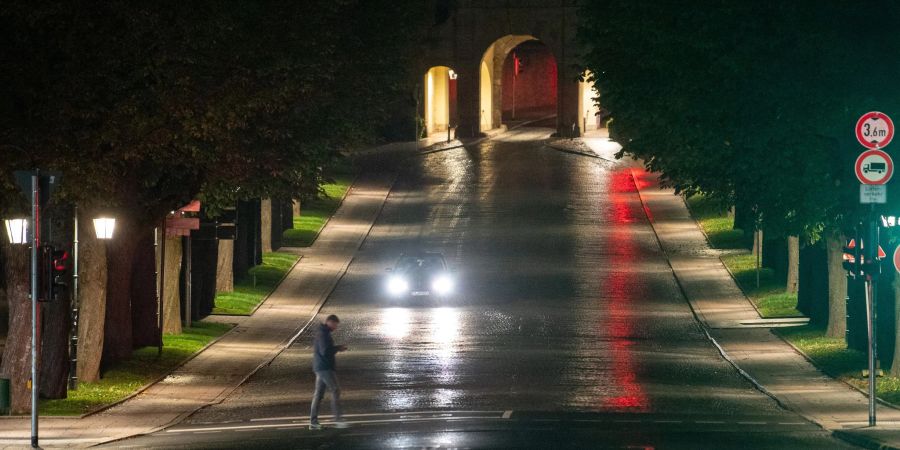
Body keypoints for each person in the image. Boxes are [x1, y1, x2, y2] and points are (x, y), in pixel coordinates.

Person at [309, 314, 348, 430]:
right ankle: (338, 420)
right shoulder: (323, 334)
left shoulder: (323, 332)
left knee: (318, 395)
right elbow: (325, 351)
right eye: (335, 324)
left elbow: (325, 350)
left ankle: (313, 422)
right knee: (335, 390)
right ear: (329, 322)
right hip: (324, 367)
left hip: (321, 367)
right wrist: (338, 348)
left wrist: (337, 348)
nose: (336, 327)